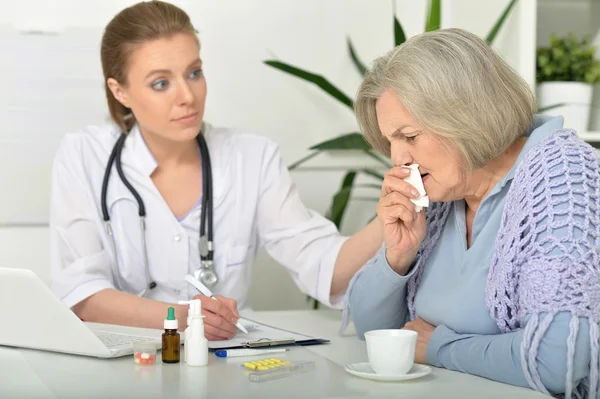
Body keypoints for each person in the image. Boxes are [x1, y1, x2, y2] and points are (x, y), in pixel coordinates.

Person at [49, 0, 382, 341]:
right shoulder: (84, 156)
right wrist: (185, 318)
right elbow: (81, 293)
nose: (188, 97)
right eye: (161, 83)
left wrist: (388, 219)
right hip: (123, 365)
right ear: (120, 92)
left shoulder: (252, 157)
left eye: (194, 73)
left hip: (224, 367)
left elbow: (323, 265)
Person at [343, 28, 600, 398]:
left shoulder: (562, 177)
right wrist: (397, 257)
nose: (399, 159)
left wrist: (437, 347)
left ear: (465, 116)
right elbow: (379, 338)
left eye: (410, 137)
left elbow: (556, 359)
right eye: (390, 142)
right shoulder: (444, 194)